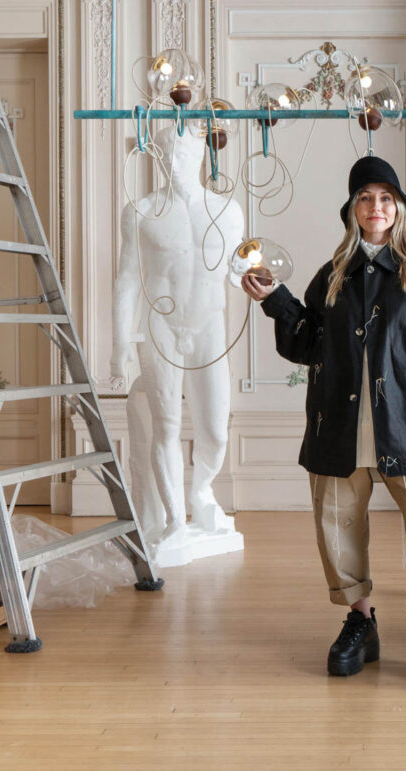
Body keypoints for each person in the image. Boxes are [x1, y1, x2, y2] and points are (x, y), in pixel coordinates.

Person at [242, 155, 406, 691]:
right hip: (339, 426)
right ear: (351, 210)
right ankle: (361, 622)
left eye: (386, 198)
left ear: (400, 208)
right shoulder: (332, 275)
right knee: (338, 526)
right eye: (365, 199)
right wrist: (276, 300)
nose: (376, 207)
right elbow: (307, 344)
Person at [110, 124, 242, 564]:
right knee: (165, 426)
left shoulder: (228, 211)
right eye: (166, 154)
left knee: (215, 430)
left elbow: (238, 272)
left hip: (209, 328)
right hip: (161, 327)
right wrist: (120, 344)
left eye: (184, 153)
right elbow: (127, 280)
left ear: (202, 155)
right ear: (156, 158)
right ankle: (172, 518)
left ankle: (202, 492)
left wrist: (253, 277)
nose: (175, 162)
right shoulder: (141, 211)